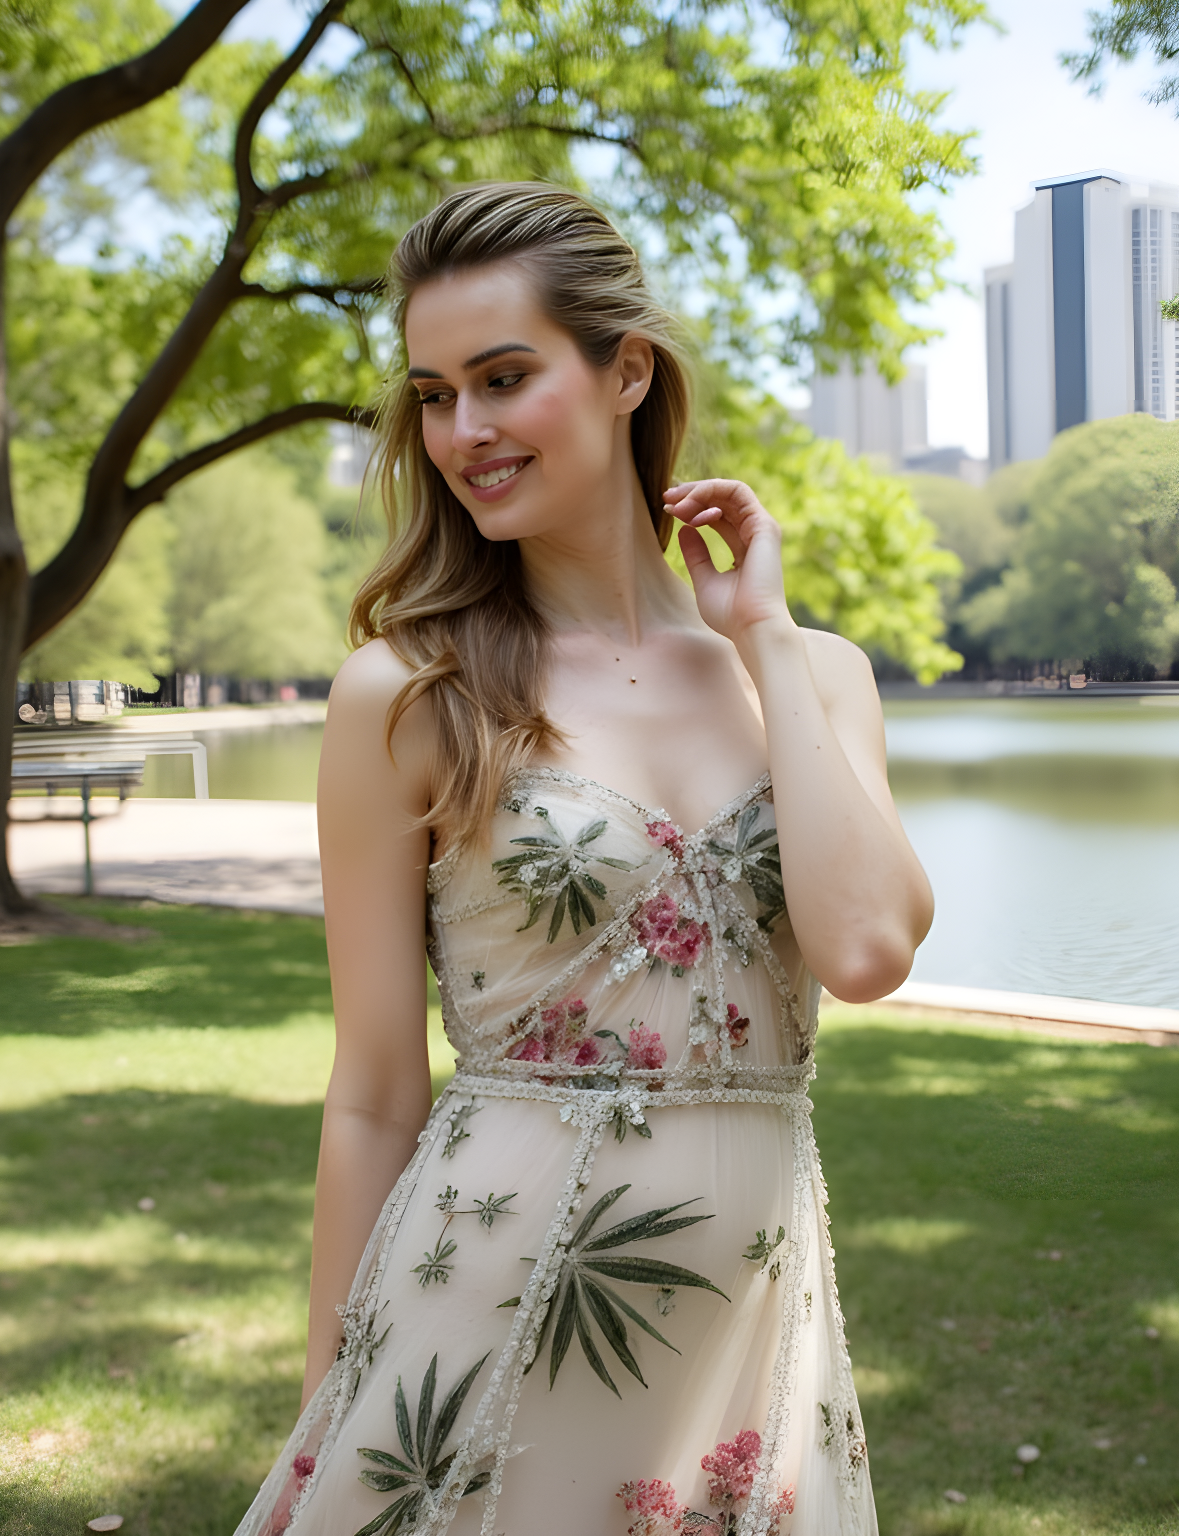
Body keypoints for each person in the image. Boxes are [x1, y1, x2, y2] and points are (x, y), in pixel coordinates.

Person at [235, 182, 933, 1536]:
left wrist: (768, 637)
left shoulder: (814, 676)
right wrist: (333, 1400)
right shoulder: (407, 692)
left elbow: (865, 951)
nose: (465, 431)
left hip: (750, 1332)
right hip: (477, 1309)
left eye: (504, 378)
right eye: (435, 394)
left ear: (628, 372)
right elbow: (375, 1092)